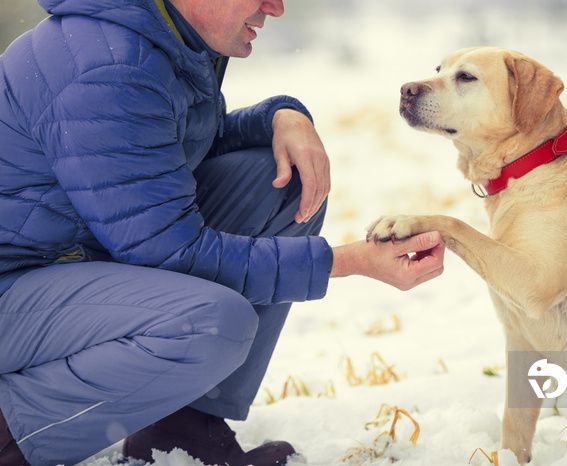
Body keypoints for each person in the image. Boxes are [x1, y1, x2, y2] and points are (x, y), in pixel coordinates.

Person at [0, 0, 446, 464]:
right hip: (14, 283)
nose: (275, 8)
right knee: (212, 324)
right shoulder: (106, 64)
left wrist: (279, 116)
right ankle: (13, 434)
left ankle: (183, 429)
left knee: (281, 182)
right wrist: (348, 262)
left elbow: (162, 153)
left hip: (69, 260)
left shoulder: (163, 34)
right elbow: (171, 251)